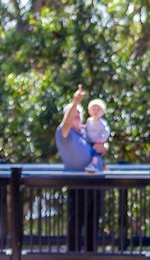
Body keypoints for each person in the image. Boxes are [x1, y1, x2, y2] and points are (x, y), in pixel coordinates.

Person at [56, 84, 106, 251]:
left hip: (95, 184)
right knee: (76, 222)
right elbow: (67, 122)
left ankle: (92, 254)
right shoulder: (64, 133)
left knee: (94, 222)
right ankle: (74, 254)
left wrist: (104, 148)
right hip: (77, 184)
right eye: (73, 113)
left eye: (79, 113)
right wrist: (75, 102)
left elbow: (101, 143)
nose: (76, 115)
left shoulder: (86, 132)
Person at [84, 99, 110, 173]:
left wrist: (103, 140)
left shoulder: (101, 123)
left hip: (97, 142)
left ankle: (94, 165)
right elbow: (86, 127)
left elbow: (106, 131)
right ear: (89, 111)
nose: (96, 111)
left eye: (98, 110)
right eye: (93, 109)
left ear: (102, 112)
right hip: (90, 141)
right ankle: (101, 165)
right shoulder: (89, 121)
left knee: (95, 152)